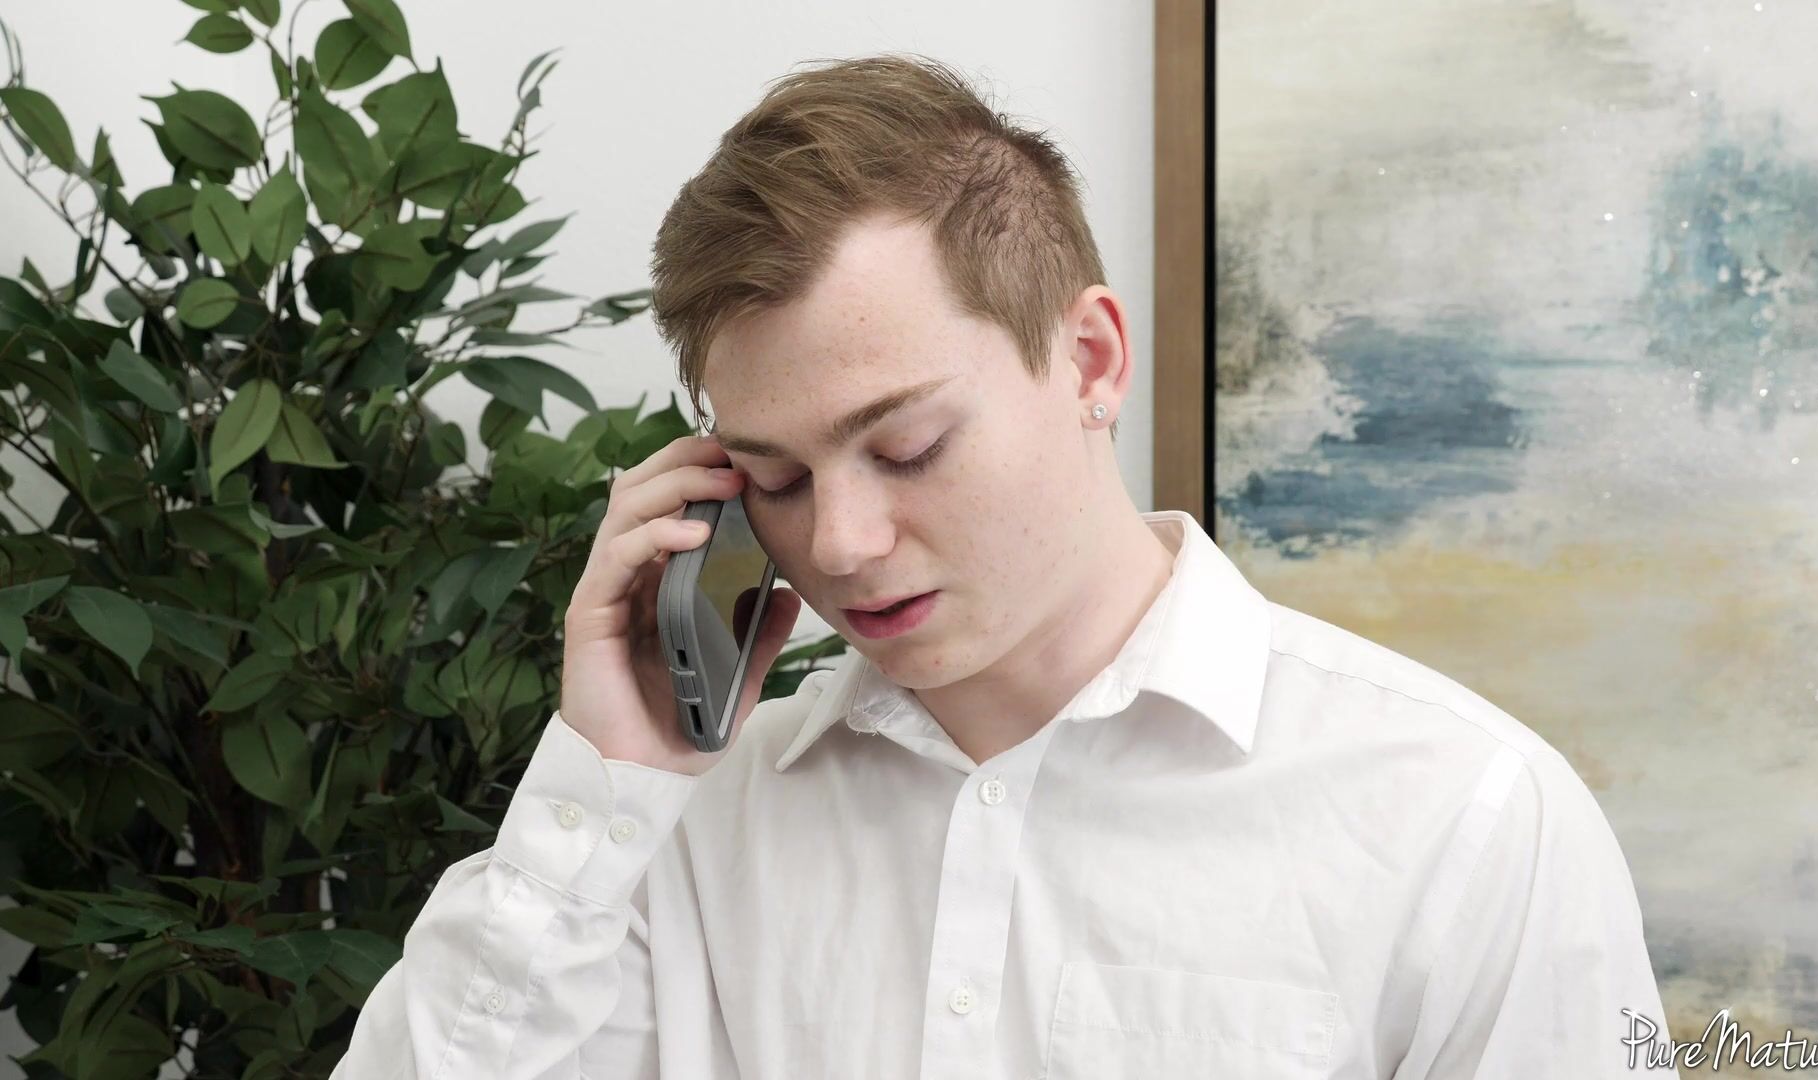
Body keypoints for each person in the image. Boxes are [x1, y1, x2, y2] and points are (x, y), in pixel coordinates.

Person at [332, 52, 1676, 1079]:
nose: (841, 543)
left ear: (1089, 360)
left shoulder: (1462, 820)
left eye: (907, 447)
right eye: (778, 480)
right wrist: (607, 777)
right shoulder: (679, 836)